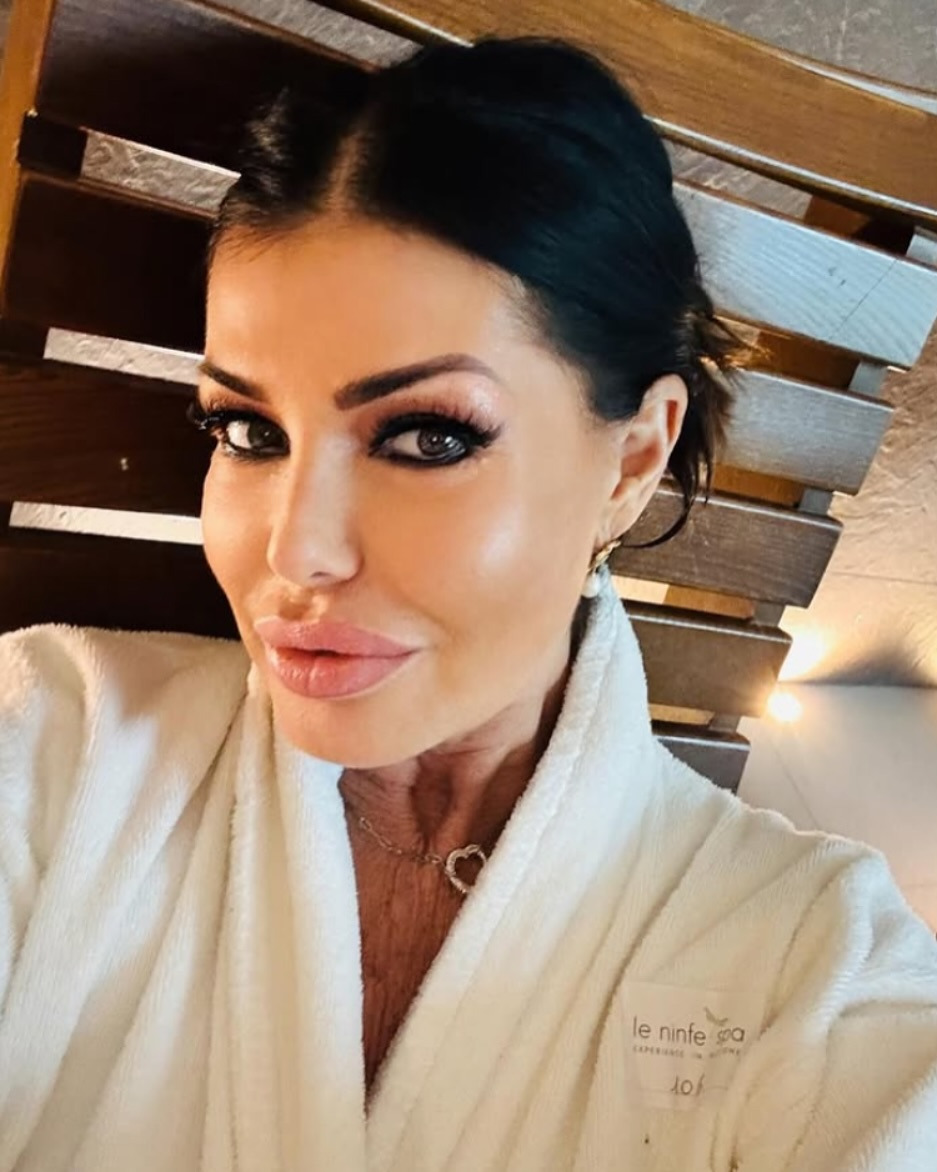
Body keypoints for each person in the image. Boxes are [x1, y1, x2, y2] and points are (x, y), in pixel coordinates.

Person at [1, 32, 936, 1172]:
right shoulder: (53, 747)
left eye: (427, 437)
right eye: (245, 430)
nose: (295, 550)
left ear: (632, 459)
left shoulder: (818, 964)